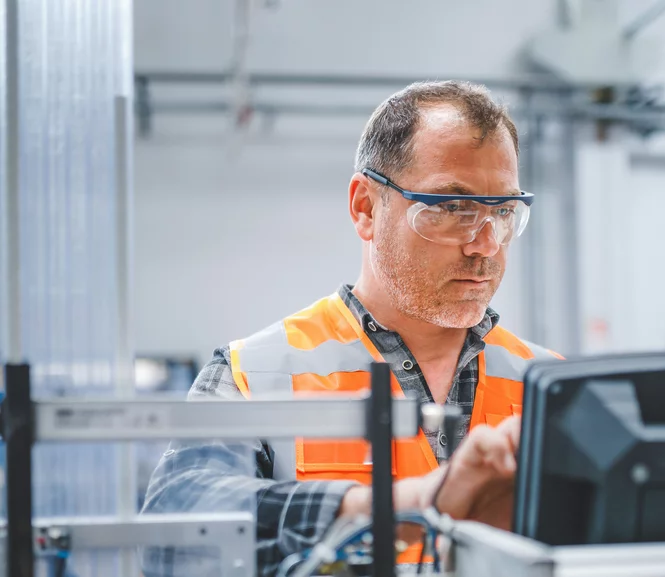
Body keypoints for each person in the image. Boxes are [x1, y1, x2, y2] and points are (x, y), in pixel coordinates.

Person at [140, 80, 561, 577]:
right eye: (452, 208)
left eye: (504, 211)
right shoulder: (257, 373)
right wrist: (403, 507)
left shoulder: (552, 384)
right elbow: (173, 532)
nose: (486, 245)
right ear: (365, 207)